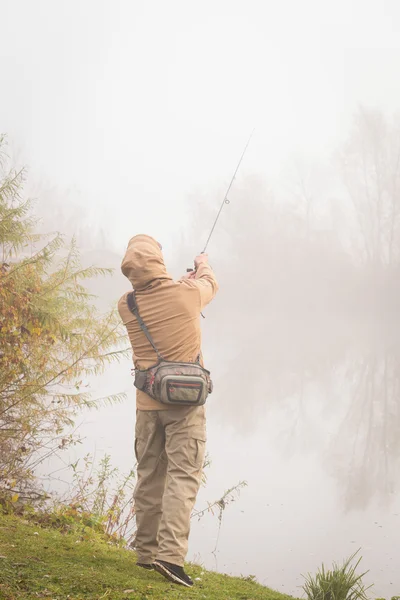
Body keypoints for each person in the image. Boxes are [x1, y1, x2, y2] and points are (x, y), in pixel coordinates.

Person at [118, 234, 218, 587]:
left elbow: (158, 296)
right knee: (183, 475)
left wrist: (181, 283)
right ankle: (171, 559)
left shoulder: (126, 304)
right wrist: (201, 264)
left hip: (147, 404)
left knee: (149, 474)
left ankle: (146, 553)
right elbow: (210, 284)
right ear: (159, 261)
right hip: (186, 406)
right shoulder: (187, 294)